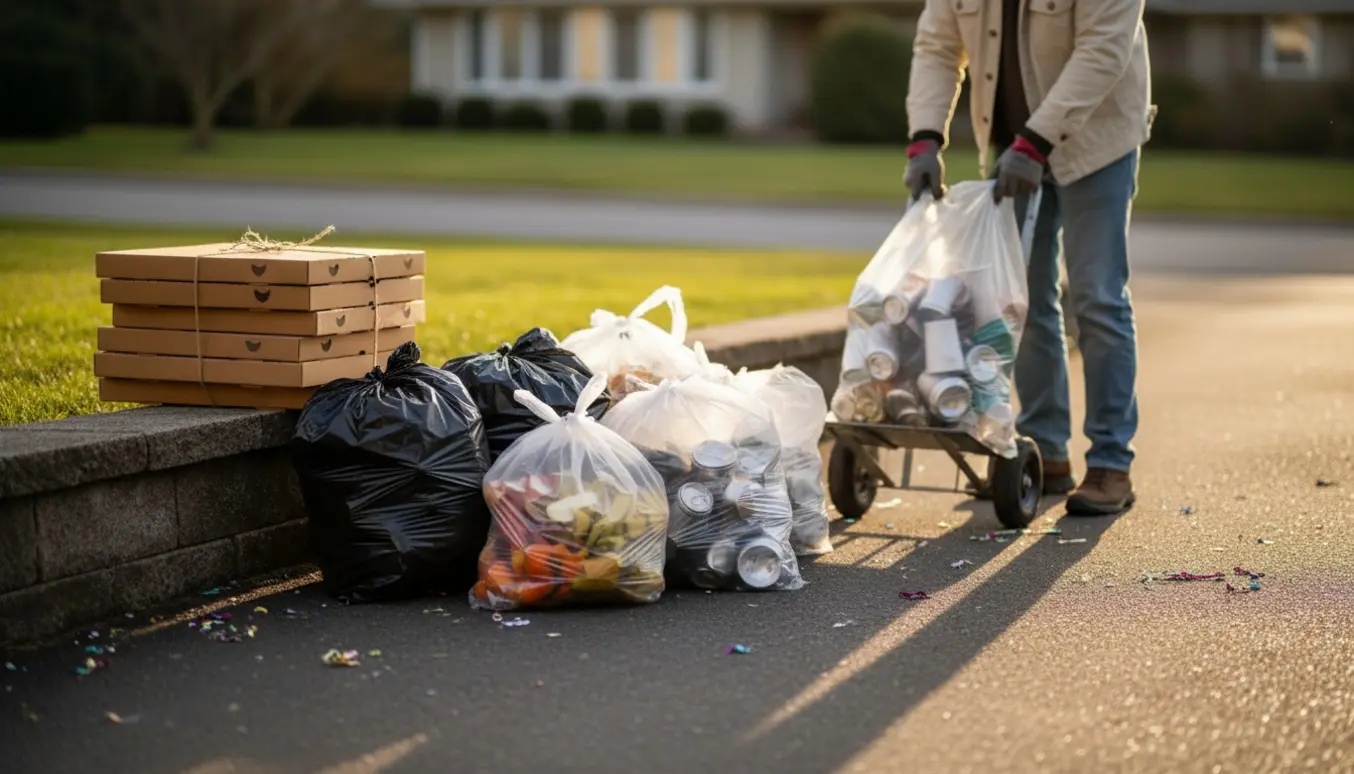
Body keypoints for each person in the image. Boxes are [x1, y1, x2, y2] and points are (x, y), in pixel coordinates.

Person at [903, 0, 1153, 515]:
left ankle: (1110, 464)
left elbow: (1104, 51)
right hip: (1015, 148)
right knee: (1021, 299)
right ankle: (1046, 453)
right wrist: (924, 139)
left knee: (1097, 297)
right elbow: (937, 46)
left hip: (1098, 142)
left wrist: (1036, 143)